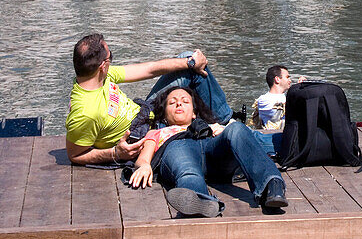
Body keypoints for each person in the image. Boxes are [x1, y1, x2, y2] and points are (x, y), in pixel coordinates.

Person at [65, 32, 234, 166]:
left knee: (189, 58)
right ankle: (226, 127)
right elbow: (75, 155)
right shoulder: (86, 113)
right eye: (111, 57)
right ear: (102, 66)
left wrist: (190, 63)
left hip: (146, 112)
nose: (111, 61)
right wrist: (115, 153)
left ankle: (225, 120)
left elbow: (149, 70)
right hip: (145, 133)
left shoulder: (100, 76)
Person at [129, 86, 288, 216]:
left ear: (193, 114)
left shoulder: (208, 127)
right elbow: (143, 158)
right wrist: (144, 166)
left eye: (185, 101)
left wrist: (223, 132)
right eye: (172, 103)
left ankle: (271, 185)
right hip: (180, 150)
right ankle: (199, 200)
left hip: (214, 158)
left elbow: (236, 138)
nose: (179, 104)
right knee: (187, 168)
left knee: (236, 128)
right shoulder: (157, 133)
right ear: (164, 115)